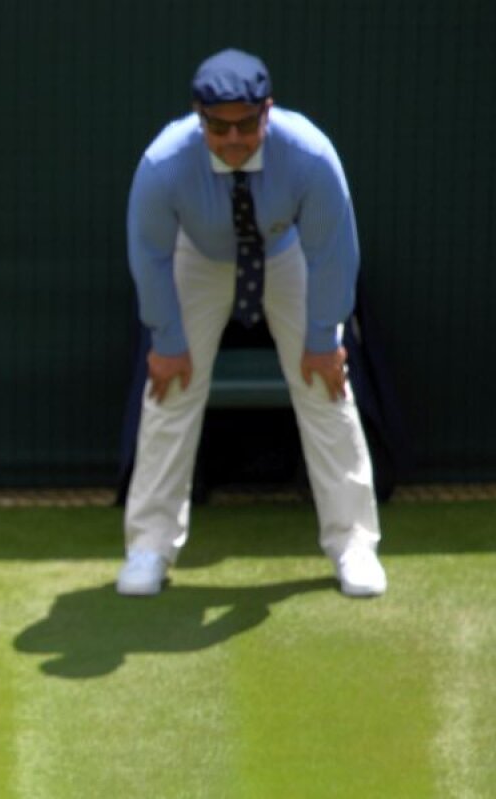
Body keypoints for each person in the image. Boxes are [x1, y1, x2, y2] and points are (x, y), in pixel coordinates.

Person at [118, 48, 387, 599]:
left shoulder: (310, 154)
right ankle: (149, 545)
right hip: (199, 259)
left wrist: (322, 339)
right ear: (199, 117)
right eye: (219, 127)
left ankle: (354, 543)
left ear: (268, 111)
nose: (234, 139)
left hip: (286, 253)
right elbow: (149, 255)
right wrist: (166, 340)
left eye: (246, 125)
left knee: (326, 385)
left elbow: (334, 252)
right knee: (169, 390)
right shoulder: (163, 164)